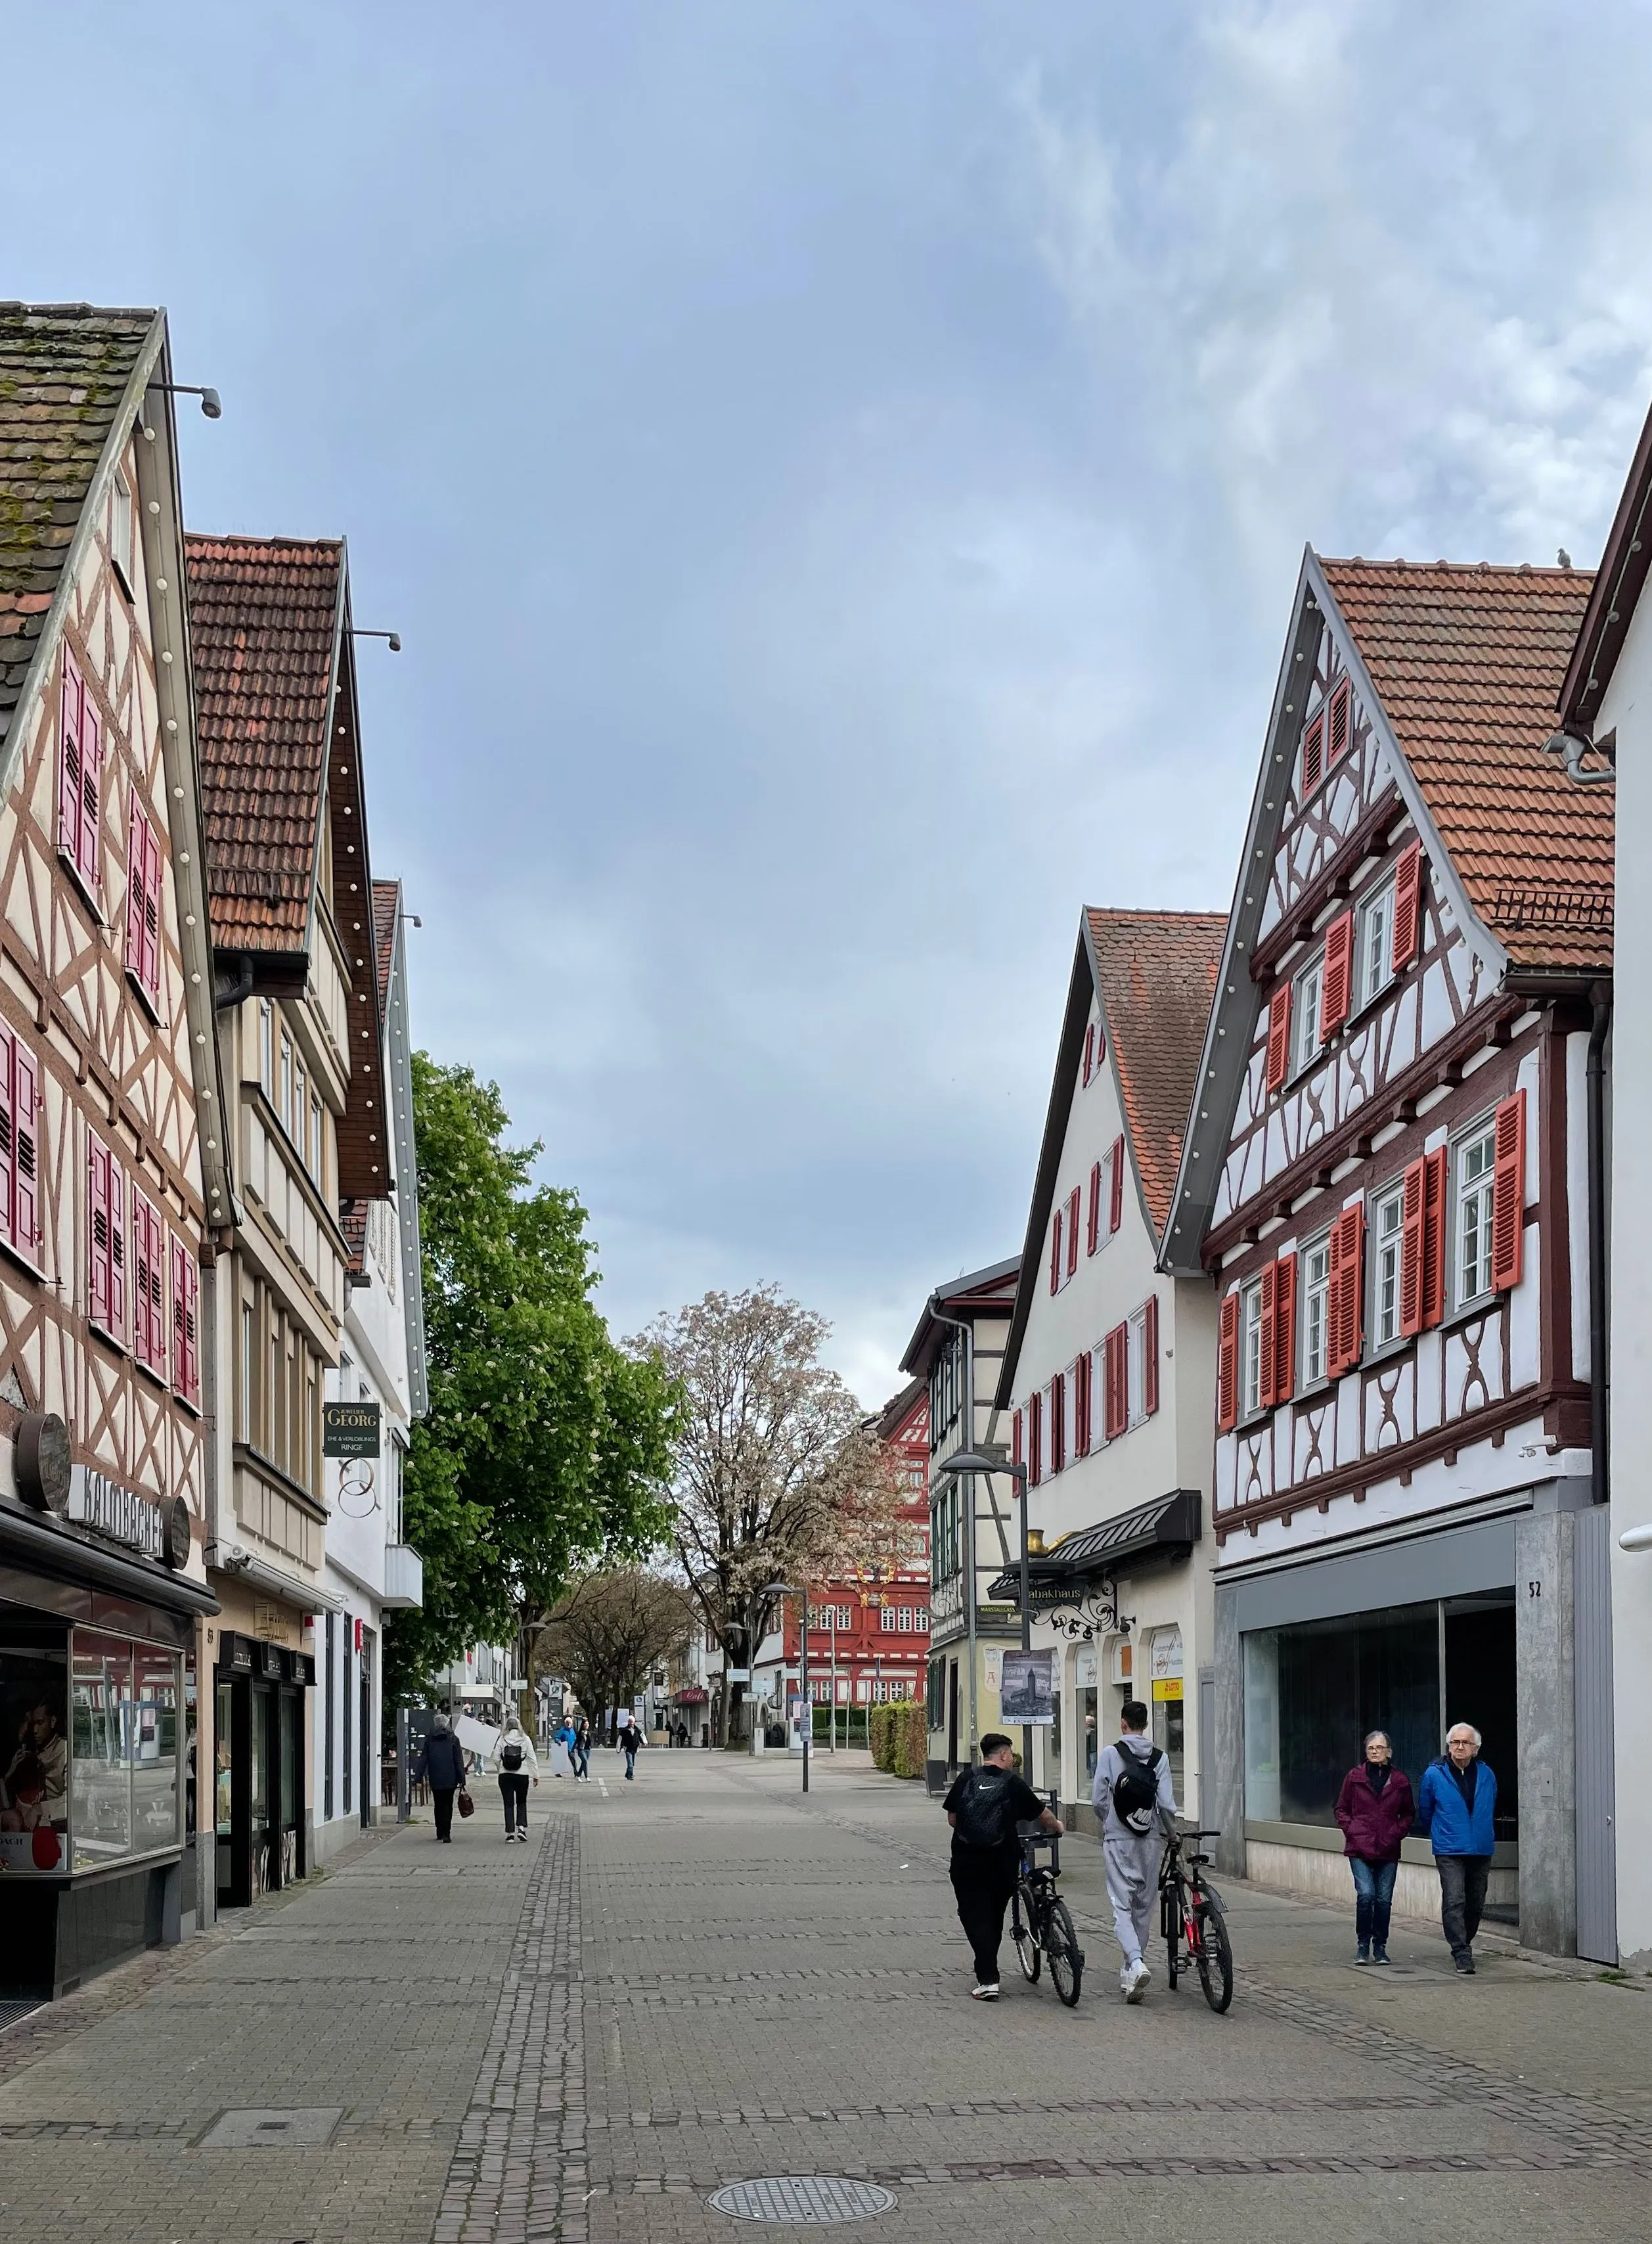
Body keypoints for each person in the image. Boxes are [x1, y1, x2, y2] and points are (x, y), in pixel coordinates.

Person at [943, 1734, 1062, 2000]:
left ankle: (988, 1979)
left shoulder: (966, 1778)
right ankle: (989, 1975)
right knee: (995, 1916)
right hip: (1002, 1860)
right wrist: (1058, 1826)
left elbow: (952, 1819)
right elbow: (1041, 1814)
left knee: (973, 1915)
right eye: (1010, 1754)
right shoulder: (1012, 1783)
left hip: (966, 1860)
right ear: (1004, 1755)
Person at [1092, 1700, 1177, 2004]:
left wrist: (1111, 1822)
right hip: (1150, 1839)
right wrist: (1171, 1834)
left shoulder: (1110, 1754)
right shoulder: (1160, 1758)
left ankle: (1137, 1963)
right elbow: (1165, 1805)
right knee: (1143, 1907)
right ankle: (1130, 1972)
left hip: (1118, 1839)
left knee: (1122, 1906)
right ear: (1145, 1725)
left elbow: (1098, 1799)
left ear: (1123, 1723)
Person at [1418, 1722, 1498, 1975]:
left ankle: (1466, 1940)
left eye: (1466, 1743)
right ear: (1449, 1746)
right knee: (1454, 1899)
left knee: (1476, 1902)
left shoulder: (1487, 1774)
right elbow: (1426, 1810)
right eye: (1455, 1742)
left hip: (1480, 1847)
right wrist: (1441, 1832)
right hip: (1449, 1847)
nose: (1460, 1747)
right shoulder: (1434, 1774)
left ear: (1476, 1748)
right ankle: (1461, 1951)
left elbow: (1491, 1805)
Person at [1334, 1730, 1415, 1965]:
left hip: (1388, 1848)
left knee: (1383, 1900)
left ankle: (1380, 1947)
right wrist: (1352, 1830)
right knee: (1366, 1895)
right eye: (1371, 1748)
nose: (1375, 1752)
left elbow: (1408, 1814)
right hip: (1359, 1847)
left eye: (1380, 1748)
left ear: (1389, 1752)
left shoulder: (1400, 1781)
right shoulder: (1355, 1777)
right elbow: (1341, 1809)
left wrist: (1396, 1833)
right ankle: (1363, 1945)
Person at [487, 1718, 539, 1841]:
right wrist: (536, 1775)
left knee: (508, 1803)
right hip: (522, 1774)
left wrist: (501, 1768)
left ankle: (510, 1834)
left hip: (505, 1775)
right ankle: (521, 1828)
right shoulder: (525, 1739)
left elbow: (495, 1757)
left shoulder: (502, 1739)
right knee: (521, 1802)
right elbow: (532, 1758)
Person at [419, 1713, 466, 1843]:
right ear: (447, 1724)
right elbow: (458, 1760)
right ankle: (446, 1833)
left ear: (436, 1724)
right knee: (448, 1805)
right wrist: (462, 1779)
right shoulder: (453, 1739)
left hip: (435, 1777)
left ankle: (439, 1831)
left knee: (438, 1804)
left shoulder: (430, 1739)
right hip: (451, 1777)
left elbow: (423, 1759)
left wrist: (418, 1777)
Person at [618, 1713, 640, 1780]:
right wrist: (619, 1748)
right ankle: (630, 1775)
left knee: (632, 1764)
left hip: (635, 1749)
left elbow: (641, 1736)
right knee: (630, 1764)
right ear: (628, 1722)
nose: (631, 1723)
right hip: (628, 1749)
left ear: (634, 1722)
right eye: (630, 1722)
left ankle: (627, 1774)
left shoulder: (637, 1730)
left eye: (632, 1722)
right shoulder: (625, 1730)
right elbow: (620, 1740)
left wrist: (644, 1742)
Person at [573, 1718, 591, 1782]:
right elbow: (577, 1741)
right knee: (585, 1761)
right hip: (581, 1750)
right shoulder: (580, 1733)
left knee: (584, 1763)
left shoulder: (588, 1732)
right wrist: (573, 1748)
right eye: (585, 1724)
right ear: (583, 1725)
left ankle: (578, 1775)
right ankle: (587, 1777)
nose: (587, 1725)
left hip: (587, 1750)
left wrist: (588, 1735)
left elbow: (590, 1741)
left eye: (588, 1724)